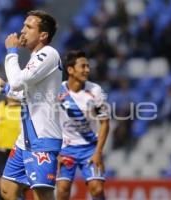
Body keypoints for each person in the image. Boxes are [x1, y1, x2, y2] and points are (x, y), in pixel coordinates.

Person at [0, 10, 62, 200]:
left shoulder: (48, 54)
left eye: (29, 27)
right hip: (26, 139)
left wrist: (11, 52)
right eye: (23, 26)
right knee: (7, 188)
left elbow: (18, 82)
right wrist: (5, 89)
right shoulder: (35, 59)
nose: (22, 31)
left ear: (43, 35)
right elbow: (27, 94)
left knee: (42, 195)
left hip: (42, 138)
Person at [56, 50, 110, 200]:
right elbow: (48, 122)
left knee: (97, 190)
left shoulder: (95, 91)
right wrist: (55, 152)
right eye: (83, 66)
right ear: (70, 70)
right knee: (62, 190)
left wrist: (98, 152)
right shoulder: (57, 91)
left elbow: (105, 123)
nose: (87, 70)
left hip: (90, 148)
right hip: (66, 148)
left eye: (88, 66)